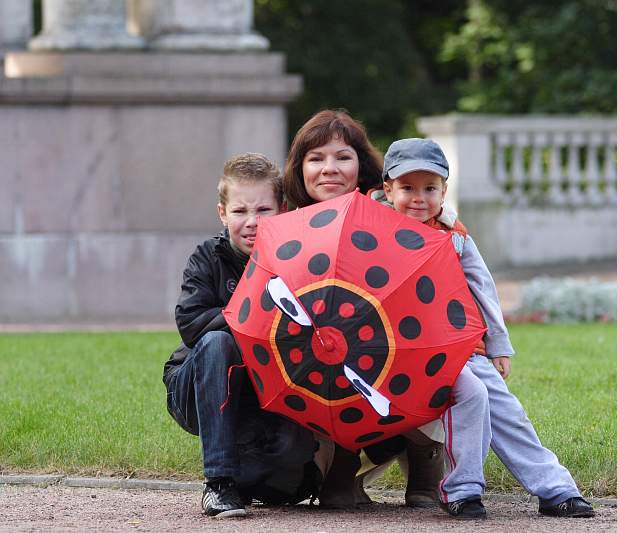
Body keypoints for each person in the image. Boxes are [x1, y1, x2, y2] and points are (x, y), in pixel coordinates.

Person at [381, 138, 595, 520]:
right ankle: (462, 490)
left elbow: (483, 288)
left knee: (508, 411)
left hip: (464, 347)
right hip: (410, 355)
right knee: (472, 395)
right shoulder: (375, 233)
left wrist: (498, 345)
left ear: (444, 191)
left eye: (429, 188)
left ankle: (555, 488)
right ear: (388, 189)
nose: (419, 198)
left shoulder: (456, 237)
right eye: (407, 188)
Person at [283, 110, 445, 509]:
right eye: (316, 158)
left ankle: (424, 457)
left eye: (342, 157)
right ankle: (340, 463)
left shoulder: (391, 212)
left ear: (362, 164)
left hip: (392, 347)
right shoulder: (285, 223)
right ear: (300, 167)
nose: (329, 169)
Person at [163, 153, 329, 518]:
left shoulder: (298, 260)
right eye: (240, 212)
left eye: (263, 210)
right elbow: (191, 326)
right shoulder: (207, 258)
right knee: (217, 341)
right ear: (222, 214)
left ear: (282, 209)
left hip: (265, 390)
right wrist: (253, 308)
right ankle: (218, 484)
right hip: (192, 386)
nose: (252, 223)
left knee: (287, 487)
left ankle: (247, 474)